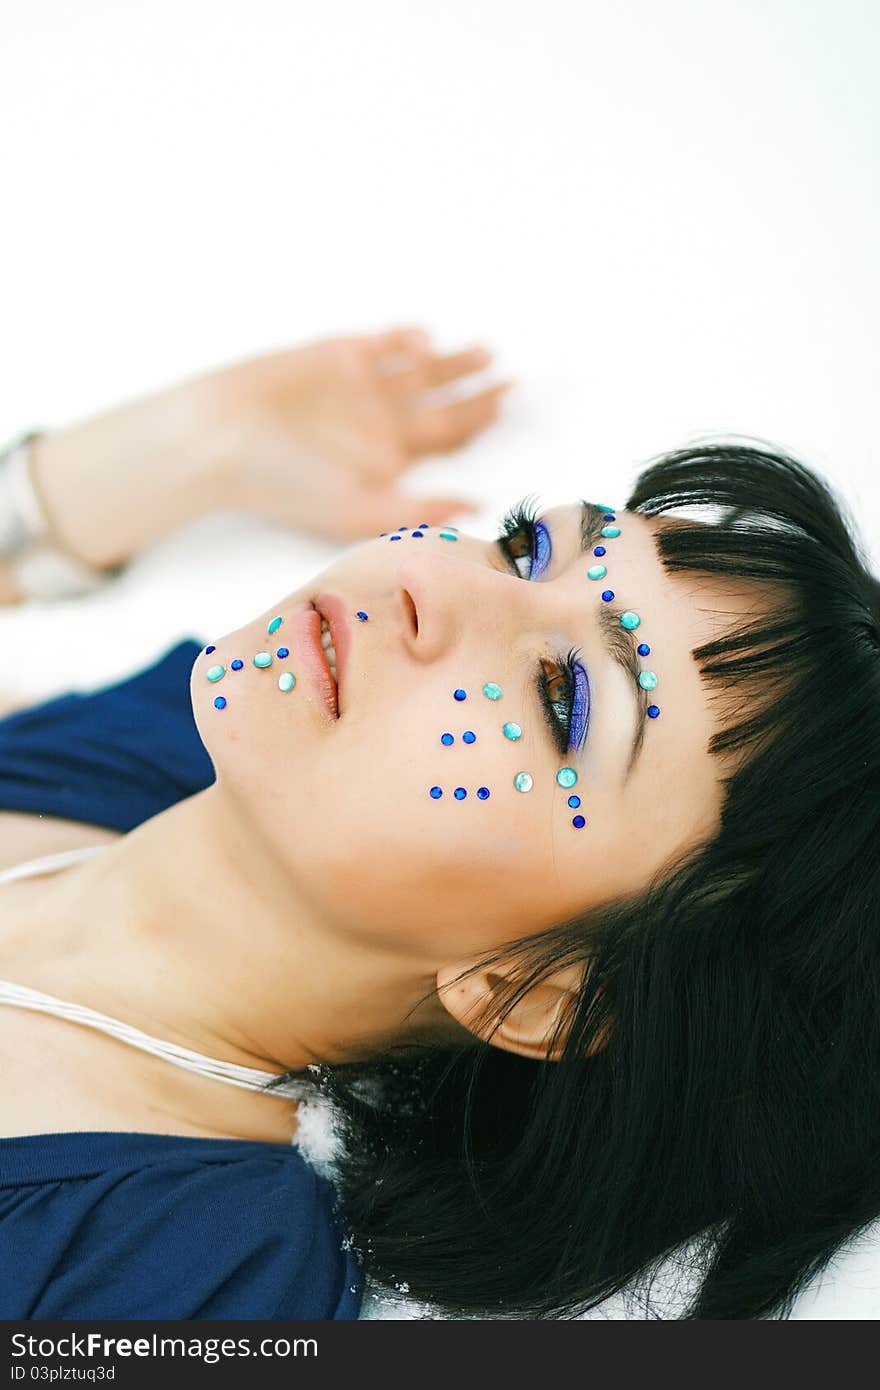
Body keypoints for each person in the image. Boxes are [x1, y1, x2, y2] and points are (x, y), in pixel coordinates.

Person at [0, 331, 878, 1321]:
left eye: (561, 699)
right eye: (525, 546)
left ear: (536, 992)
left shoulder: (188, 1273)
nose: (437, 584)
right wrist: (187, 442)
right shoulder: (161, 743)